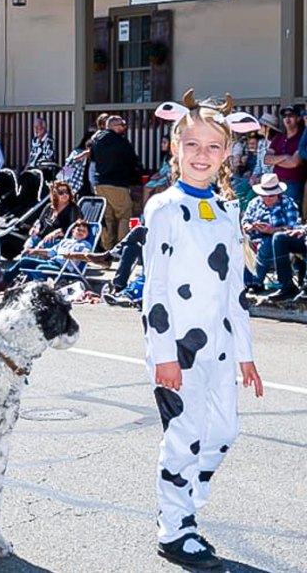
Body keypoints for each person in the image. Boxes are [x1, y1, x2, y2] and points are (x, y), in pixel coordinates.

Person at [143, 92, 263, 570]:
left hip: (218, 348)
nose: (201, 155)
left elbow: (235, 290)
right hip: (178, 349)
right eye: (191, 144)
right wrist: (163, 354)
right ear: (174, 148)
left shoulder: (228, 210)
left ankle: (186, 500)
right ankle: (175, 529)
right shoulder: (164, 208)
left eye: (214, 147)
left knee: (225, 430)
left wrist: (245, 353)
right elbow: (154, 290)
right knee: (183, 436)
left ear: (228, 154)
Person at [241, 173, 302, 295]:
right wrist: (251, 226)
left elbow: (292, 228)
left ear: (278, 194)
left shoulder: (287, 204)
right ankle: (249, 281)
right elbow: (245, 222)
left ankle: (256, 281)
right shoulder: (255, 203)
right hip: (254, 238)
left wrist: (272, 230)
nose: (267, 198)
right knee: (241, 242)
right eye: (264, 195)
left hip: (278, 240)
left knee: (269, 242)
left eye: (271, 196)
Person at [91, 115, 140, 250]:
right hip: (117, 183)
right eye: (122, 125)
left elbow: (93, 159)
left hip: (99, 184)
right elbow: (132, 160)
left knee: (107, 218)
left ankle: (106, 249)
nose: (124, 127)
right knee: (124, 215)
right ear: (114, 126)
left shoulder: (96, 140)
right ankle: (121, 248)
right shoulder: (120, 141)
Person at [4, 219, 93, 283]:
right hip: (52, 262)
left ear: (87, 234)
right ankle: (4, 281)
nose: (81, 232)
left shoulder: (85, 244)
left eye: (84, 231)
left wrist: (72, 255)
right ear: (73, 231)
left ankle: (33, 288)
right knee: (24, 261)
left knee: (40, 268)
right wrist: (34, 251)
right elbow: (51, 252)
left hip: (64, 268)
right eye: (79, 230)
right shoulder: (65, 241)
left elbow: (85, 255)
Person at [264, 105, 306, 209]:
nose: (287, 118)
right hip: (275, 182)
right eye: (284, 116)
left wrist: (276, 160)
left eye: (291, 115)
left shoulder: (302, 137)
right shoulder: (278, 137)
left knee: (290, 213)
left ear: (298, 118)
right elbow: (266, 159)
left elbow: (294, 162)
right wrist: (286, 157)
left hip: (293, 183)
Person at [22, 180, 81, 251]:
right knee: (28, 244)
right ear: (55, 194)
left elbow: (73, 227)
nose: (65, 194)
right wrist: (35, 227)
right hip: (43, 236)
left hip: (59, 239)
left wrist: (57, 232)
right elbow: (40, 221)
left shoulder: (73, 208)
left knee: (40, 247)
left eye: (66, 192)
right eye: (61, 193)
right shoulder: (49, 207)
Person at [143, 135, 172, 202]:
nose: (162, 145)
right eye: (162, 143)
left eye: (164, 143)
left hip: (167, 179)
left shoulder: (175, 158)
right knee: (147, 187)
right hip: (160, 178)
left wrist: (159, 177)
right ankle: (145, 209)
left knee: (158, 189)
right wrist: (156, 175)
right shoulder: (165, 157)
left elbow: (170, 172)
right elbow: (161, 170)